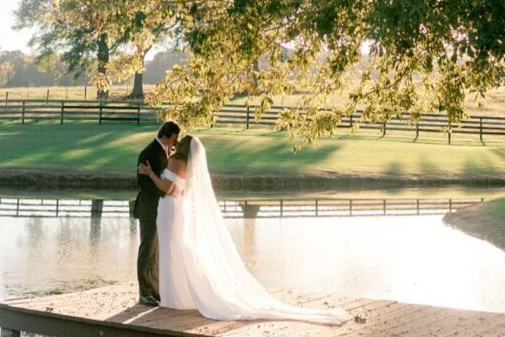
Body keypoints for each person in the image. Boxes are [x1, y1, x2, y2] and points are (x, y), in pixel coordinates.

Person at [138, 134, 349, 324]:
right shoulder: (189, 166)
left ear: (181, 145)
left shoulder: (175, 161)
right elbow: (180, 190)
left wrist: (150, 173)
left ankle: (174, 297)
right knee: (178, 251)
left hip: (169, 211)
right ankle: (180, 295)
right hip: (179, 209)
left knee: (171, 251)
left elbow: (168, 189)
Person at [133, 119, 181, 306]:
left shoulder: (165, 151)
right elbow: (141, 181)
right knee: (146, 251)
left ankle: (155, 290)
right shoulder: (148, 152)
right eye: (174, 140)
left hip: (160, 208)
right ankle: (144, 293)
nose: (175, 144)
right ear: (166, 136)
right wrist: (163, 191)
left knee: (156, 251)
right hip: (148, 207)